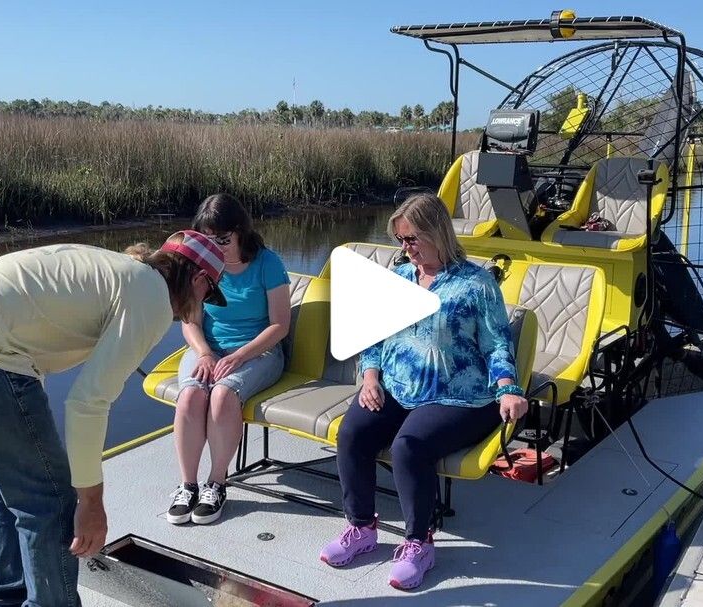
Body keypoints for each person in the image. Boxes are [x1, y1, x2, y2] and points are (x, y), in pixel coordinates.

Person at [0, 230, 226, 606]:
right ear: (199, 280)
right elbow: (87, 403)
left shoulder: (125, 272)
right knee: (52, 498)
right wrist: (91, 503)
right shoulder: (151, 297)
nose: (204, 305)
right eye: (209, 294)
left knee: (9, 481)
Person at [319, 193, 529, 590]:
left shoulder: (477, 284)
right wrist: (369, 377)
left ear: (437, 233)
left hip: (459, 395)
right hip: (396, 385)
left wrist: (508, 389)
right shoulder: (398, 277)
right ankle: (361, 528)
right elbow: (376, 337)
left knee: (408, 446)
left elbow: (497, 344)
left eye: (411, 239)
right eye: (400, 240)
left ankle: (419, 543)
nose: (405, 248)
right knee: (352, 434)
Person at [166, 193, 291, 525]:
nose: (215, 248)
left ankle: (217, 483)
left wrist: (237, 356)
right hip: (208, 349)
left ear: (241, 233)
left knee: (222, 395)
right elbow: (189, 319)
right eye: (207, 240)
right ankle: (187, 485)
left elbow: (280, 325)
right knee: (191, 395)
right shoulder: (198, 266)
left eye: (223, 240)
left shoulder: (268, 264)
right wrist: (205, 353)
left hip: (257, 352)